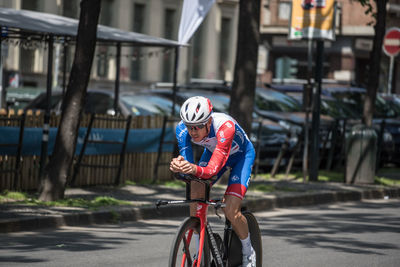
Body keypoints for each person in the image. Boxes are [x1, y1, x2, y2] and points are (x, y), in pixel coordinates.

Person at [169, 96, 256, 267]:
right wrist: (179, 168)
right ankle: (199, 249)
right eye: (189, 127)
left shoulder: (225, 127)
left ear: (209, 121)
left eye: (198, 126)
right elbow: (189, 170)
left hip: (241, 157)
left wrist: (192, 169)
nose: (193, 132)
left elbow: (212, 171)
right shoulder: (182, 130)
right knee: (196, 187)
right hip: (214, 152)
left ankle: (248, 252)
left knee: (231, 210)